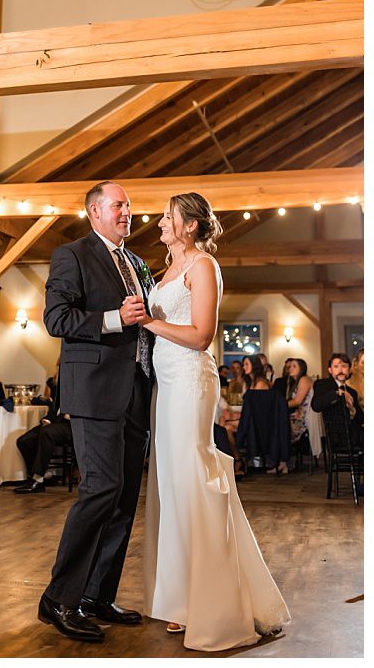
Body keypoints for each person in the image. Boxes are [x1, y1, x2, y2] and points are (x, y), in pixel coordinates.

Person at [137, 193, 288, 650]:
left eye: (168, 217)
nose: (161, 222)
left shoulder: (203, 267)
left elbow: (201, 335)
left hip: (189, 384)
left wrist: (148, 322)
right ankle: (183, 598)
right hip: (166, 387)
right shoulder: (166, 269)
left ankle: (216, 602)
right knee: (174, 488)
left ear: (189, 226)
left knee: (194, 483)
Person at [37, 181, 154, 644]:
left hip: (137, 392)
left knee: (124, 498)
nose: (128, 212)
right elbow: (56, 319)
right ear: (94, 211)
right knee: (100, 489)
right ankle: (60, 599)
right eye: (119, 205)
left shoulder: (136, 261)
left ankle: (97, 595)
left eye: (129, 206)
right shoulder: (73, 254)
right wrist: (113, 319)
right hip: (94, 391)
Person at [13, 376, 74, 494]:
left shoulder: (79, 382)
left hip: (71, 425)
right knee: (24, 441)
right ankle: (40, 477)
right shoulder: (58, 383)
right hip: (56, 422)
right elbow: (55, 408)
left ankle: (37, 479)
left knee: (47, 432)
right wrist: (47, 420)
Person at [278, 358, 315, 464]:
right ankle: (282, 461)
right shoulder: (295, 382)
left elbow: (297, 401)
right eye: (290, 366)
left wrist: (279, 404)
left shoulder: (304, 379)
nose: (290, 369)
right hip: (298, 414)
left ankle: (284, 461)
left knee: (280, 425)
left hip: (305, 417)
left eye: (294, 366)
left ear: (301, 368)